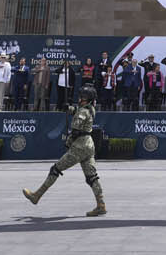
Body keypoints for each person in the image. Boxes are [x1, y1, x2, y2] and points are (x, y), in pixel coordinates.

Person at [24, 85, 106, 216]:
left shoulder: (83, 112)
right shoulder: (90, 109)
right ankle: (101, 204)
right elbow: (79, 111)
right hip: (89, 145)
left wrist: (69, 141)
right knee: (92, 177)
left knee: (56, 169)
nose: (80, 99)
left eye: (83, 98)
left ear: (88, 99)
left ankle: (37, 196)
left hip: (79, 146)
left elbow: (76, 127)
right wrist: (70, 109)